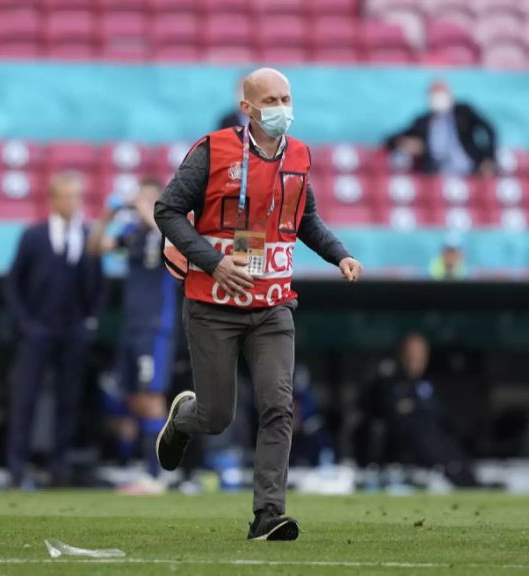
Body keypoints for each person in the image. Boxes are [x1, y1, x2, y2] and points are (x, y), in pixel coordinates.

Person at [153, 67, 363, 541]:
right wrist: (212, 263)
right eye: (270, 100)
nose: (281, 109)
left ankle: (268, 514)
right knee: (217, 416)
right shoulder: (212, 151)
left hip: (273, 305)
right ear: (246, 108)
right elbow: (165, 210)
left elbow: (305, 218)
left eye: (286, 98)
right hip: (214, 302)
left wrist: (341, 254)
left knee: (278, 406)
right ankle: (184, 420)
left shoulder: (300, 157)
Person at [3, 172, 105, 487]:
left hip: (73, 330)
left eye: (77, 196)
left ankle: (58, 467)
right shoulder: (33, 235)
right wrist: (25, 322)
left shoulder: (89, 235)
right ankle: (17, 467)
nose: (73, 203)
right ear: (53, 199)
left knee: (68, 399)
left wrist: (90, 320)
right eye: (67, 196)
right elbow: (12, 282)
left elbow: (100, 284)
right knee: (25, 398)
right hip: (38, 330)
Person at [87, 178, 178, 484]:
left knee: (152, 396)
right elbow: (96, 248)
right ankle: (145, 464)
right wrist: (105, 218)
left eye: (149, 199)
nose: (141, 205)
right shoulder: (133, 234)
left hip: (155, 326)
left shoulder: (166, 230)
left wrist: (148, 211)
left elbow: (175, 246)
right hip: (132, 324)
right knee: (134, 398)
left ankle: (157, 474)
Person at [365, 333, 481, 487]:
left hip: (436, 441)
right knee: (423, 430)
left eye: (420, 355)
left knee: (446, 438)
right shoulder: (389, 383)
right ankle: (458, 475)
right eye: (411, 354)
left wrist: (415, 407)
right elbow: (389, 412)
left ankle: (467, 478)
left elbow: (442, 414)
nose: (415, 359)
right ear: (402, 355)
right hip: (403, 442)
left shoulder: (431, 384)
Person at [385, 81, 497, 176]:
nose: (437, 98)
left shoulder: (463, 112)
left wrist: (488, 158)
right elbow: (391, 139)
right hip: (437, 173)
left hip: (470, 169)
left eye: (440, 93)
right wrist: (407, 144)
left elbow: (489, 129)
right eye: (434, 94)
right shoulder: (422, 121)